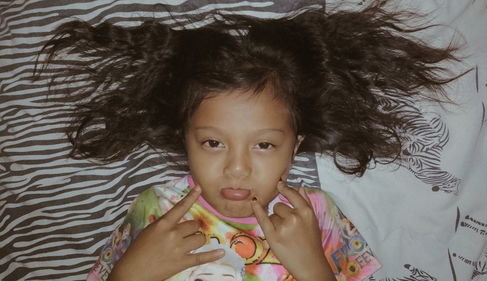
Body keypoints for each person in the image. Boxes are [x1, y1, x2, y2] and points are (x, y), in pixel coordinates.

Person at [37, 1, 464, 280]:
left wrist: (314, 266)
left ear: (295, 145)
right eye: (212, 143)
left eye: (263, 145)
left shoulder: (313, 215)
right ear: (184, 138)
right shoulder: (156, 210)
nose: (237, 169)